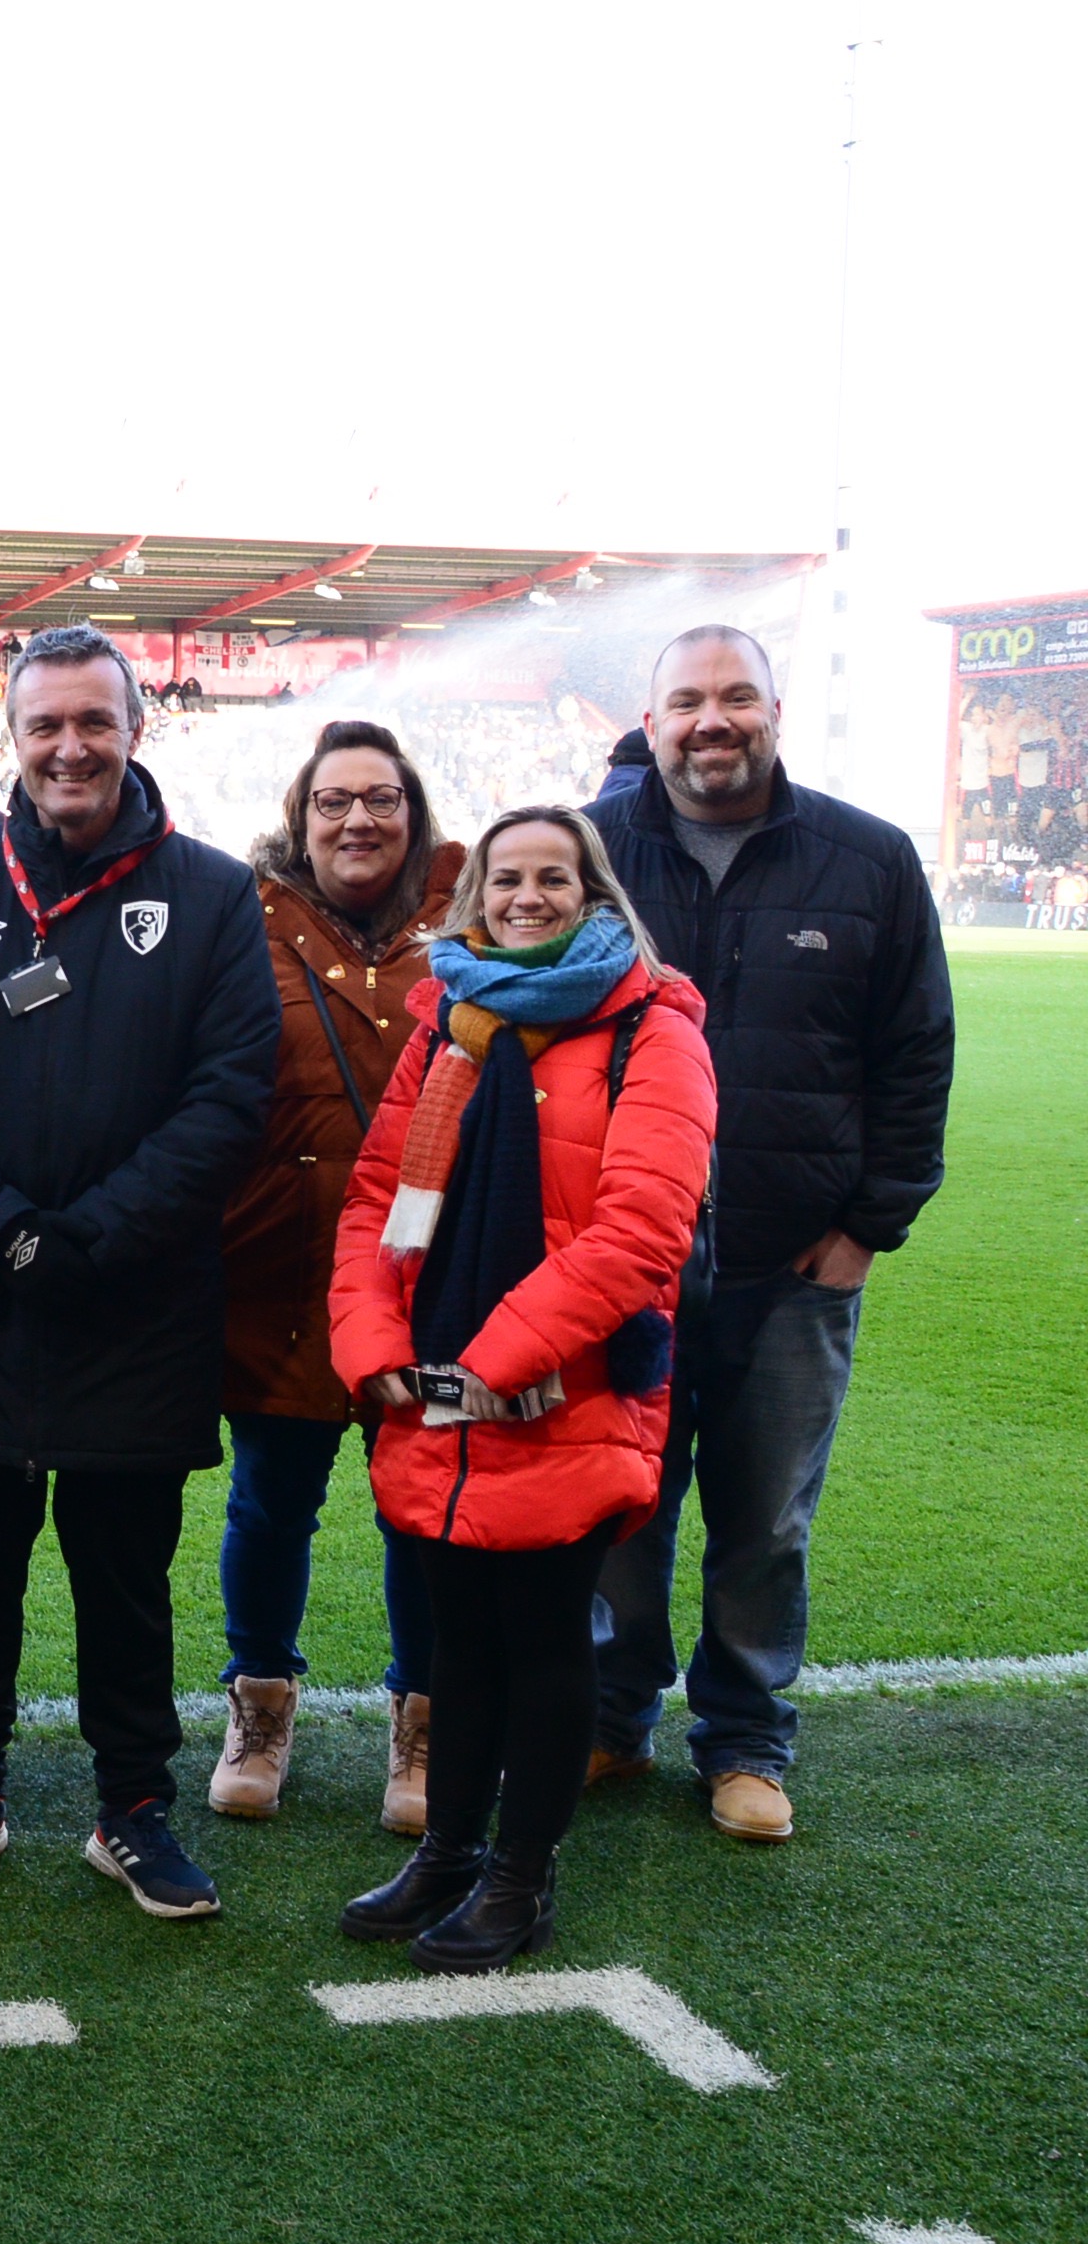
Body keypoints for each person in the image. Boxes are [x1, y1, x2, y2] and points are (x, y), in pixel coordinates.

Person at [0, 625, 277, 1919]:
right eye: (45, 724)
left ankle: (134, 1807)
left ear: (136, 726)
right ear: (10, 735)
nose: (69, 746)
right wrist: (3, 1227)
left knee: (126, 1574)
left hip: (138, 1304)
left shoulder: (215, 896)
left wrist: (96, 1233)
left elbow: (230, 1098)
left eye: (91, 722)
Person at [582, 626, 953, 1841]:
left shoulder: (869, 858)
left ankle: (745, 1742)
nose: (712, 720)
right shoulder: (593, 852)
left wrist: (868, 1230)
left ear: (777, 711)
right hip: (625, 1267)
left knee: (766, 1523)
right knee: (620, 1508)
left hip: (793, 1269)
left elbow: (914, 1055)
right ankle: (609, 1717)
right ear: (650, 721)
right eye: (686, 699)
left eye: (736, 696)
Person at [330, 807, 713, 1968]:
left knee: (546, 1634)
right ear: (476, 896)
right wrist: (372, 1342)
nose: (527, 896)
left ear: (595, 895)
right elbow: (373, 1204)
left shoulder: (655, 1029)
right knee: (458, 1636)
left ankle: (519, 1877)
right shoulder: (448, 1024)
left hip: (562, 1388)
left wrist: (492, 1358)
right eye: (507, 879)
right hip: (437, 1389)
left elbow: (641, 1233)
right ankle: (449, 1853)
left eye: (554, 877)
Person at [210, 722, 465, 1830]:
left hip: (437, 1283)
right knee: (271, 1504)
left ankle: (424, 1728)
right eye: (333, 803)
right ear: (298, 818)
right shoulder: (243, 922)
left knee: (425, 1509)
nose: (357, 820)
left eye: (380, 800)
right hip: (281, 1270)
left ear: (413, 814)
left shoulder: (474, 924)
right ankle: (260, 1706)